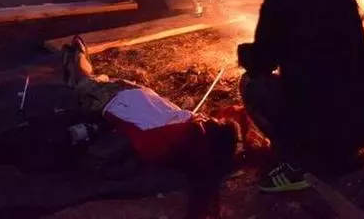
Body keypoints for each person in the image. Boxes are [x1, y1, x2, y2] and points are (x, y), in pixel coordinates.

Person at [237, 0, 364, 192]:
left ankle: (297, 159)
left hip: (322, 127)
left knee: (252, 84)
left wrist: (244, 53)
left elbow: (262, 62)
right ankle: (339, 153)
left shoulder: (278, 4)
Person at [60, 36, 239, 180]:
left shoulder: (185, 135)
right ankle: (77, 65)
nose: (209, 118)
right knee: (98, 80)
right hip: (139, 96)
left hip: (116, 102)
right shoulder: (196, 128)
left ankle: (77, 60)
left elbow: (147, 143)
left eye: (214, 122)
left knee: (87, 83)